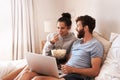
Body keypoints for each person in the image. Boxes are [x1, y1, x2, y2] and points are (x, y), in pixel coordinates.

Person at [20, 15, 103, 80]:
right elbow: (69, 59)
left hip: (77, 76)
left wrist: (72, 70)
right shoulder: (77, 42)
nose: (76, 29)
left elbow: (95, 71)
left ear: (86, 28)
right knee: (27, 74)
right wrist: (59, 65)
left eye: (78, 26)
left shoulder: (95, 45)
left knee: (37, 79)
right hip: (64, 71)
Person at [2, 12, 77, 80]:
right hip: (47, 62)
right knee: (27, 68)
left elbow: (71, 58)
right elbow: (44, 53)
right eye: (58, 28)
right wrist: (51, 42)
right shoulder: (52, 36)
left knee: (27, 72)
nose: (59, 31)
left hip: (57, 66)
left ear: (69, 28)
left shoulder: (73, 40)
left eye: (62, 28)